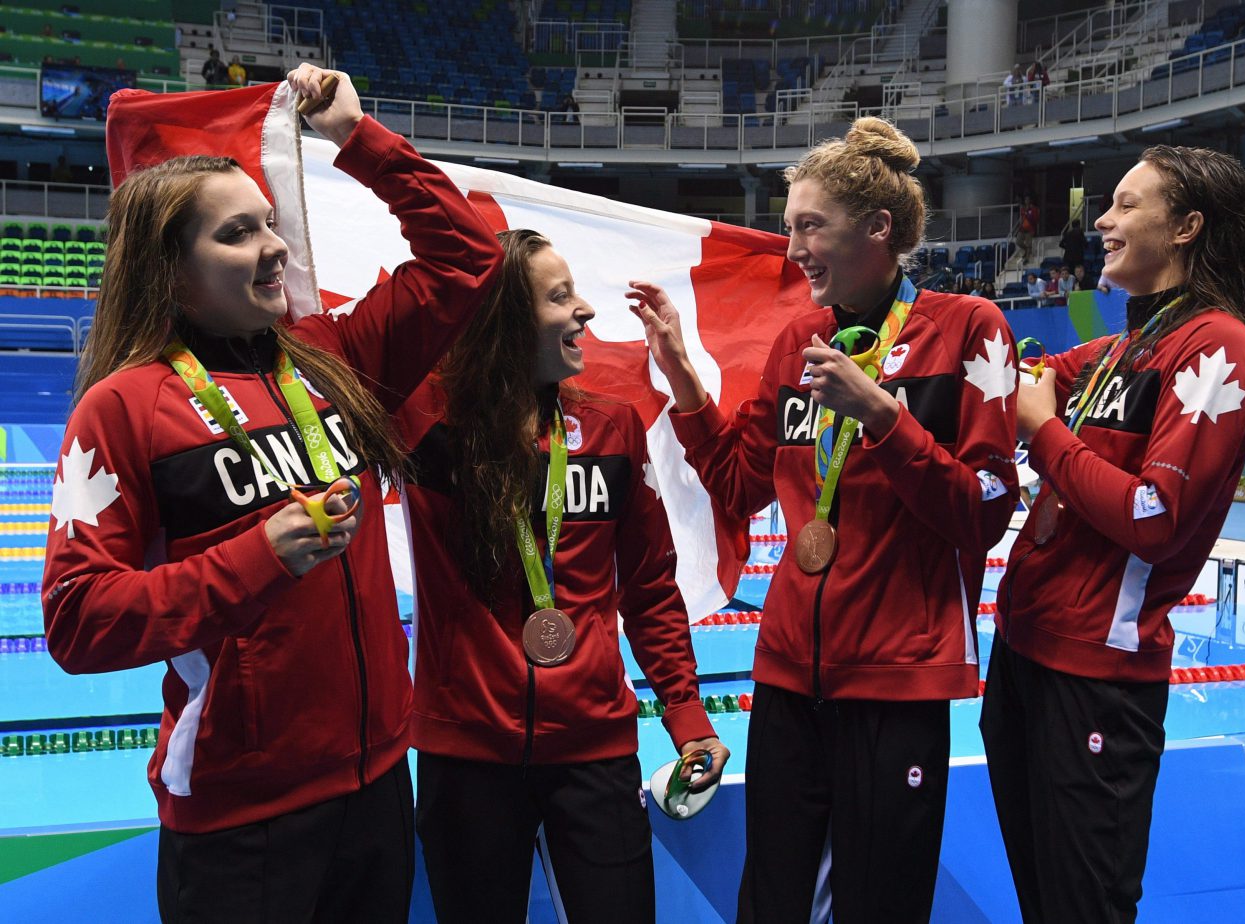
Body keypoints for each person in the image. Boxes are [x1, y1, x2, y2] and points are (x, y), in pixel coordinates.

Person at [41, 64, 503, 923]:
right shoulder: (126, 407)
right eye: (237, 234)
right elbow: (78, 620)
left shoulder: (332, 359)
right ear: (170, 273)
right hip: (239, 816)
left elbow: (469, 257)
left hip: (373, 787)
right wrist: (257, 558)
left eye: (269, 222)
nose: (275, 245)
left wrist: (359, 140)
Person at [630, 116, 1019, 923]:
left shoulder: (968, 329)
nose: (793, 247)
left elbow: (984, 509)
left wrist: (885, 417)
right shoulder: (799, 339)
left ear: (876, 228)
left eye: (810, 225)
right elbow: (738, 486)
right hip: (785, 672)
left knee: (881, 900)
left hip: (895, 674)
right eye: (788, 227)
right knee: (772, 895)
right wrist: (682, 377)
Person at [399, 229, 727, 923]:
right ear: (506, 322)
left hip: (594, 747)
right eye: (560, 297)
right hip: (467, 755)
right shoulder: (426, 425)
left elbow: (649, 587)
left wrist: (687, 717)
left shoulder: (612, 427)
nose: (585, 311)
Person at [980, 145, 1245, 924]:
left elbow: (1155, 519)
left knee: (1083, 908)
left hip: (1097, 679)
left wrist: (1043, 435)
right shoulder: (1120, 351)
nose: (1102, 221)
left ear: (1186, 227)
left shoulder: (1215, 347)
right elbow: (1016, 373)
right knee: (1045, 903)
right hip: (1024, 653)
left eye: (1126, 204)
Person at [1016, 194, 1040, 265]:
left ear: (1030, 200)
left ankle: (1027, 258)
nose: (1026, 201)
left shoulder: (1034, 209)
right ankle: (1026, 250)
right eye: (1025, 200)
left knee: (1029, 244)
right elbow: (1021, 218)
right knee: (1018, 241)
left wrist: (1029, 214)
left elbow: (1036, 219)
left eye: (1028, 199)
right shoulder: (1023, 208)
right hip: (1022, 229)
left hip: (1030, 229)